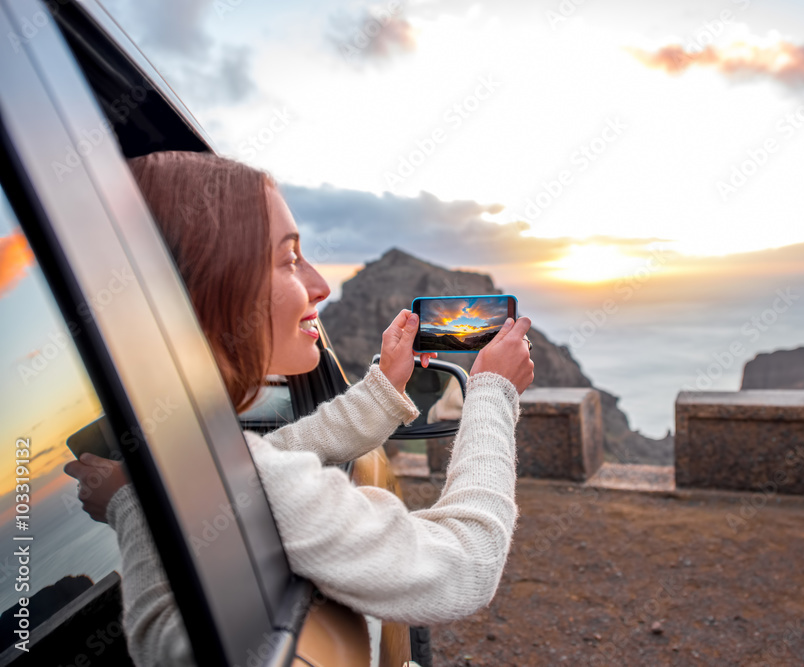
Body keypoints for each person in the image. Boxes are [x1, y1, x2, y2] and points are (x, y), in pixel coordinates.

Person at [63, 151, 534, 667]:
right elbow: (468, 562)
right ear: (209, 286)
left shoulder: (177, 466)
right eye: (290, 259)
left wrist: (132, 499)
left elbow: (274, 452)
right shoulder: (248, 483)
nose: (321, 286)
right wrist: (492, 392)